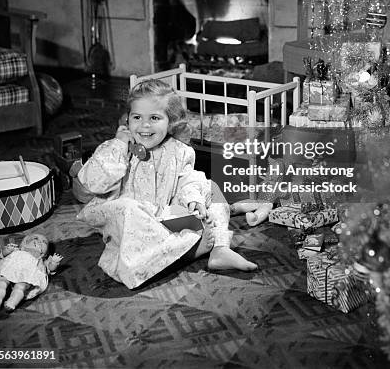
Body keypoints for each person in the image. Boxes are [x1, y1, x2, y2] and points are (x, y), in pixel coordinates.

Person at [76, 78, 257, 289]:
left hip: (164, 213)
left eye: (154, 117)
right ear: (127, 120)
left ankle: (219, 249)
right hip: (130, 220)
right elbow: (92, 182)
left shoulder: (178, 150)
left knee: (209, 187)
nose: (144, 125)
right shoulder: (117, 148)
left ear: (169, 121)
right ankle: (183, 252)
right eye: (137, 117)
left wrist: (193, 201)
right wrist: (119, 144)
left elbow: (188, 179)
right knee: (128, 207)